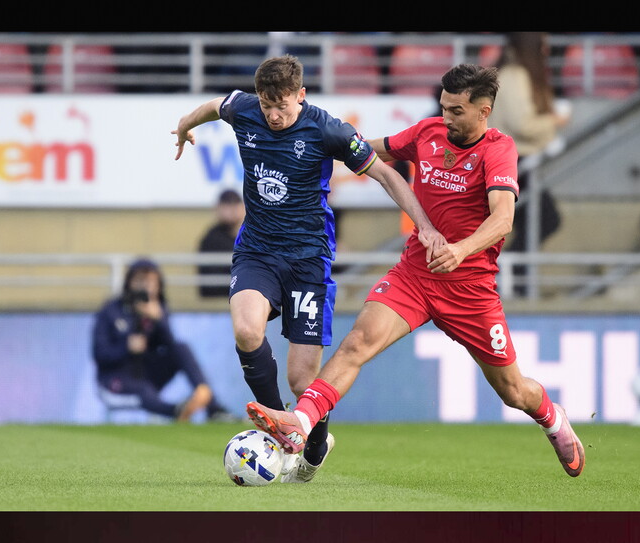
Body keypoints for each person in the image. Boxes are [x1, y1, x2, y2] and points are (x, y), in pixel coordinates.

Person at [245, 63, 586, 478]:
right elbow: (365, 150)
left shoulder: (498, 149)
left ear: (484, 111)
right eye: (443, 107)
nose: (446, 118)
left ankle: (552, 417)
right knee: (358, 342)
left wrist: (460, 250)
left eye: (456, 111)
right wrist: (308, 140)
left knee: (513, 391)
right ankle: (300, 424)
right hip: (415, 275)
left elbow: (503, 220)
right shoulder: (427, 133)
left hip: (470, 289)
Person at [172, 55, 444, 483]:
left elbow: (388, 177)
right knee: (246, 330)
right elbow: (214, 105)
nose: (274, 115)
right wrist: (186, 125)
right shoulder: (245, 109)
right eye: (267, 106)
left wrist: (425, 226)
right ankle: (283, 431)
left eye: (282, 105)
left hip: (308, 261)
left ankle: (315, 444)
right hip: (257, 250)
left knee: (303, 382)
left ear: (301, 94)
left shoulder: (328, 129)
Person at [91, 258, 237, 422]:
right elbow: (99, 354)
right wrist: (126, 346)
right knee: (142, 390)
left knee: (181, 348)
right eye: (140, 280)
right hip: (115, 379)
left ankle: (213, 408)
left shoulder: (158, 309)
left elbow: (170, 346)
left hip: (146, 375)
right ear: (129, 282)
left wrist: (159, 320)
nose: (145, 286)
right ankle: (177, 411)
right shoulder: (111, 311)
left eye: (151, 282)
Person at [488, 32, 569, 294]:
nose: (546, 49)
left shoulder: (510, 74)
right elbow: (522, 125)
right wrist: (553, 123)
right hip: (512, 164)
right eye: (543, 43)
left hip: (511, 161)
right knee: (547, 218)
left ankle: (513, 281)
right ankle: (506, 277)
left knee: (530, 221)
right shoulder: (514, 76)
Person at [197, 189, 246, 298]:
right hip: (217, 300)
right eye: (227, 205)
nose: (231, 211)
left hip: (244, 296)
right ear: (218, 209)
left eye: (234, 205)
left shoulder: (250, 236)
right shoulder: (211, 239)